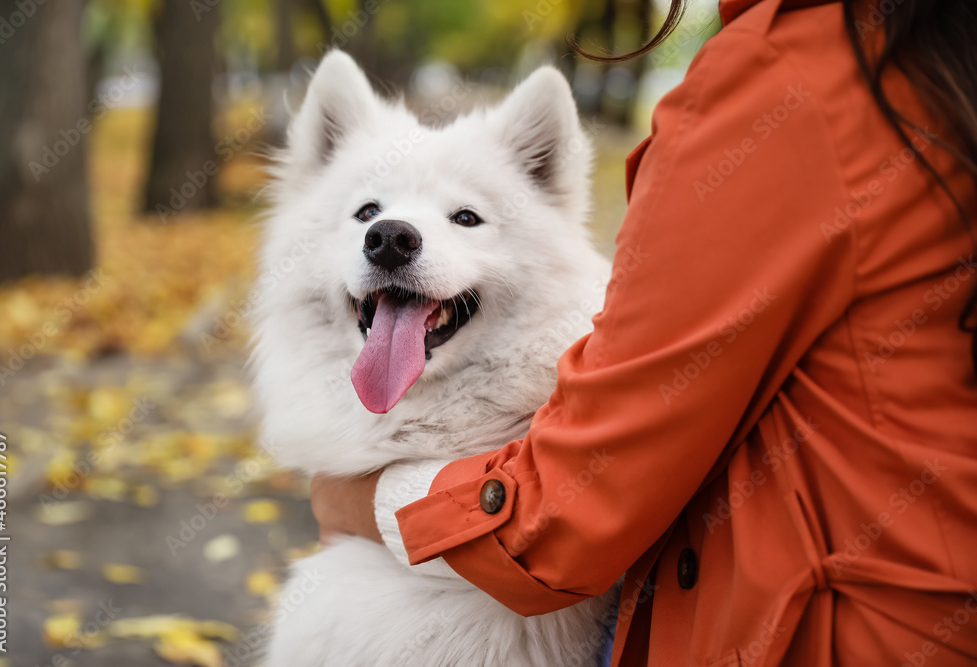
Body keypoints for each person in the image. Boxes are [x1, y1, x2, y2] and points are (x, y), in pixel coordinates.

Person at [309, 0, 977, 663]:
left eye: (466, 216)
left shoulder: (787, 76)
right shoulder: (929, 56)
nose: (395, 230)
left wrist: (357, 501)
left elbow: (571, 511)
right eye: (369, 209)